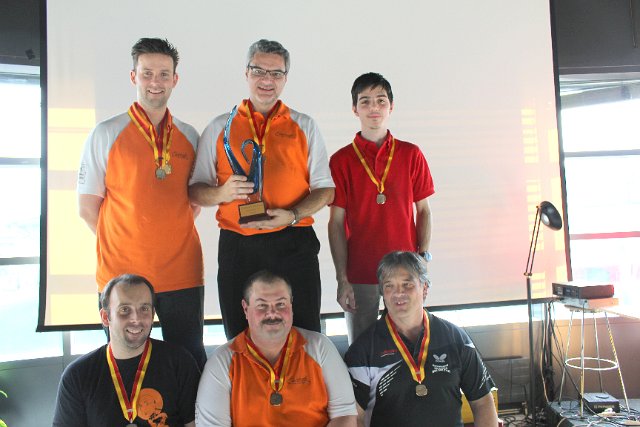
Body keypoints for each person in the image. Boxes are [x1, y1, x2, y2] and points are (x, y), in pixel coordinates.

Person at [189, 39, 334, 339]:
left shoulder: (304, 125)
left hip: (294, 240)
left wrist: (293, 215)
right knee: (239, 335)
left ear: (285, 78)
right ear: (246, 73)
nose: (267, 80)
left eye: (276, 73)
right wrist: (221, 194)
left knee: (305, 332)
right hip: (238, 244)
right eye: (259, 71)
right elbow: (195, 190)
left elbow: (325, 190)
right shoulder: (219, 127)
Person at [77, 37, 206, 368]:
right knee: (126, 364)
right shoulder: (106, 133)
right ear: (134, 76)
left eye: (164, 74)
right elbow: (88, 208)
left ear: (175, 79)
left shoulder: (190, 136)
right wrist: (129, 243)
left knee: (188, 362)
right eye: (147, 73)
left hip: (181, 273)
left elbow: (192, 203)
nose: (155, 82)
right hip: (122, 276)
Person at [328, 72, 435, 344]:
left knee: (409, 342)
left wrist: (422, 261)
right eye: (365, 101)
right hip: (360, 272)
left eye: (381, 100)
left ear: (391, 106)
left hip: (404, 271)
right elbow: (336, 222)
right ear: (355, 109)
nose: (373, 107)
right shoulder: (341, 160)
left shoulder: (411, 154)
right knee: (361, 346)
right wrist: (342, 278)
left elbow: (423, 210)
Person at [344, 252, 498, 427]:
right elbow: (355, 417)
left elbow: (483, 402)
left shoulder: (456, 339)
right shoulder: (362, 350)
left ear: (424, 288)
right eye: (389, 286)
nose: (398, 293)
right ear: (383, 293)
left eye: (407, 284)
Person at [195, 270, 357, 427]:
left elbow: (345, 416)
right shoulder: (221, 362)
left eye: (280, 304)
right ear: (245, 308)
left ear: (291, 304)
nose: (272, 313)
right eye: (262, 305)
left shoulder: (320, 347)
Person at [53, 274, 201, 427]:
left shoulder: (180, 363)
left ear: (152, 314)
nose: (136, 319)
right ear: (105, 317)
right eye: (124, 309)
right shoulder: (78, 375)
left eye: (144, 308)